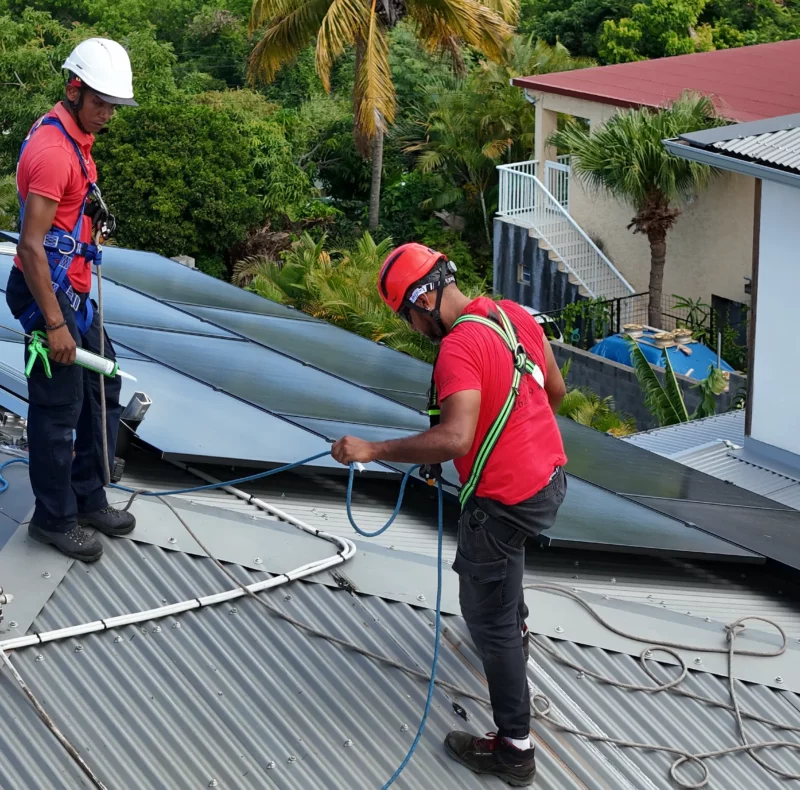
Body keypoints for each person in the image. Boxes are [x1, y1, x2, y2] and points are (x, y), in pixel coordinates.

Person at [331, 242, 568, 787]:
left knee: (487, 617)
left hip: (506, 501)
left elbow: (454, 436)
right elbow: (552, 392)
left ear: (424, 297)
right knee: (503, 579)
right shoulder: (511, 315)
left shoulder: (458, 349)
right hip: (549, 480)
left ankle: (514, 750)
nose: (413, 327)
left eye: (409, 315)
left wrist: (372, 450)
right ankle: (519, 627)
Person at [6, 38, 139, 563]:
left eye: (114, 105)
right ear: (74, 88)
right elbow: (31, 247)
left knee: (101, 383)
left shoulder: (77, 136)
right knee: (59, 410)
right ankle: (54, 518)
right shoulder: (53, 151)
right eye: (100, 102)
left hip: (74, 289)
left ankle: (87, 498)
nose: (107, 113)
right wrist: (55, 326)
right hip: (49, 292)